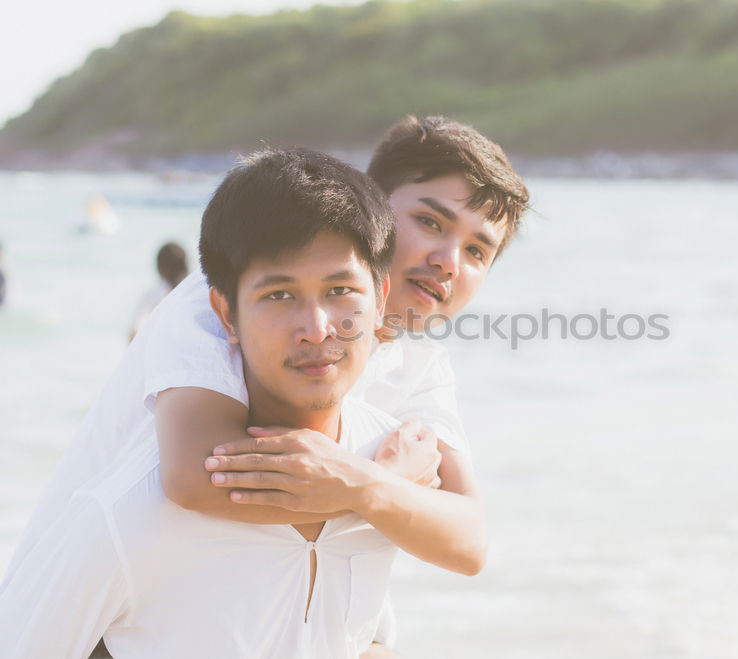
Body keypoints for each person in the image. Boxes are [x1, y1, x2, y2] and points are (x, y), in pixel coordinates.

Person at [1, 116, 529, 656]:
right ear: (371, 206)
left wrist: (365, 488)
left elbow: (467, 541)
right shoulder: (218, 303)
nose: (448, 262)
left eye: (477, 252)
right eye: (431, 222)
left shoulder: (420, 366)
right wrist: (383, 484)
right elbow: (200, 477)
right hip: (105, 626)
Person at [128, 241, 189, 341]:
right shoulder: (197, 293)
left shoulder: (152, 295)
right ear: (185, 266)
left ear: (159, 269)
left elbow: (134, 333)